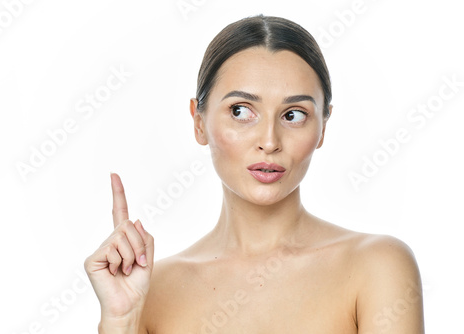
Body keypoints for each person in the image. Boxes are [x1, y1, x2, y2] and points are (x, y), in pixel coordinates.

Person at [84, 14, 425, 333]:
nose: (269, 141)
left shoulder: (376, 266)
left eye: (294, 115)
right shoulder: (149, 290)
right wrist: (120, 322)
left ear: (323, 128)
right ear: (199, 122)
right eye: (241, 111)